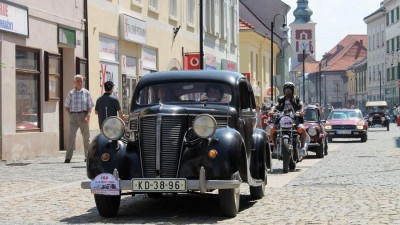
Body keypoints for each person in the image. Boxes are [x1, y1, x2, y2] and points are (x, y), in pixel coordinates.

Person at [270, 82, 308, 157]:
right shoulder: (281, 99)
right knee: (272, 130)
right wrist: (272, 111)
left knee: (302, 130)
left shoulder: (296, 99)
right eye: (286, 90)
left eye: (289, 90)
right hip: (282, 118)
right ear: (284, 91)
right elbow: (275, 106)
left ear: (292, 91)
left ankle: (302, 148)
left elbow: (301, 105)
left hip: (295, 119)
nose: (288, 91)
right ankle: (275, 147)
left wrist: (301, 111)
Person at [64, 75, 94, 163]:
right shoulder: (71, 93)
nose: (80, 83)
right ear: (74, 82)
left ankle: (87, 156)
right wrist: (71, 115)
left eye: (81, 81)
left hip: (83, 116)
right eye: (78, 81)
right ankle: (68, 157)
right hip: (73, 116)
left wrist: (88, 115)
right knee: (71, 136)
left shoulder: (86, 92)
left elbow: (90, 105)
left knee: (86, 137)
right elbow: (66, 105)